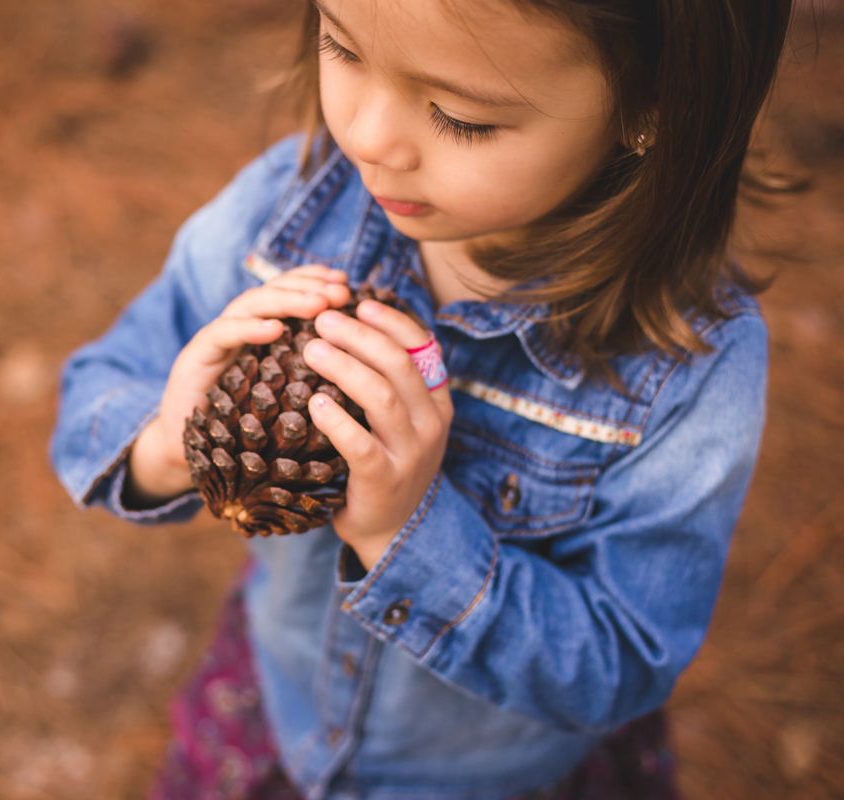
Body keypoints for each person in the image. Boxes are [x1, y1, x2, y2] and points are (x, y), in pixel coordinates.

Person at [50, 0, 792, 796]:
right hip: (283, 702)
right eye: (342, 46)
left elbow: (621, 660)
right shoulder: (283, 210)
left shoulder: (685, 363)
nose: (368, 138)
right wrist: (172, 438)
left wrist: (409, 536)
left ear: (651, 107)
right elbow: (93, 393)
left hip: (491, 777)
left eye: (460, 117)